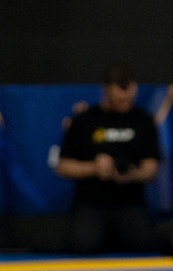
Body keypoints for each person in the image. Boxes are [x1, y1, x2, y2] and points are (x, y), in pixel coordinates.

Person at [55, 65, 165, 254]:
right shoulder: (85, 121)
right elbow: (63, 167)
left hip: (131, 202)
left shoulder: (143, 120)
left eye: (128, 100)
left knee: (147, 247)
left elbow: (151, 167)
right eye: (119, 100)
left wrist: (133, 174)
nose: (124, 104)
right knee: (81, 246)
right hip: (91, 203)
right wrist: (94, 168)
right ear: (106, 90)